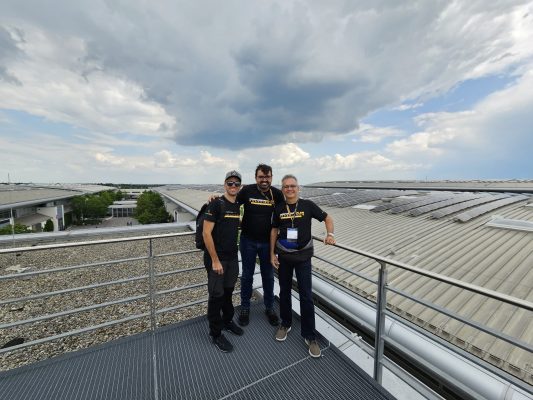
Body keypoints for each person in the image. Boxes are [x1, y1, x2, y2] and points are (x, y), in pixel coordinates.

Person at [270, 174, 336, 358]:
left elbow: (327, 218)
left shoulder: (307, 205)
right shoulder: (279, 208)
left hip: (303, 258)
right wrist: (271, 254)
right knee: (284, 292)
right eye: (286, 187)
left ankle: (310, 336)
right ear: (282, 190)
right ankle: (285, 323)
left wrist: (330, 234)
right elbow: (274, 231)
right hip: (283, 257)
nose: (289, 189)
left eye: (292, 186)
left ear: (298, 188)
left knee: (306, 296)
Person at [236, 164, 284, 327]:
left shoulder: (277, 194)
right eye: (261, 177)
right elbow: (232, 203)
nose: (264, 180)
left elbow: (282, 219)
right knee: (247, 276)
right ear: (256, 178)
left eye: (267, 176)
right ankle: (245, 307)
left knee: (268, 277)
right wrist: (215, 200)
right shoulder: (247, 191)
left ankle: (269, 308)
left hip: (267, 244)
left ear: (271, 177)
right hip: (248, 241)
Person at [203, 170, 244, 352]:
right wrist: (215, 260)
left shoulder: (237, 206)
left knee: (228, 292)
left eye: (236, 184)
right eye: (230, 183)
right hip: (217, 259)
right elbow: (206, 233)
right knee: (216, 295)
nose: (233, 186)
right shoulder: (216, 204)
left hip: (232, 257)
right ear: (224, 184)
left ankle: (227, 321)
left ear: (240, 186)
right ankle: (216, 334)